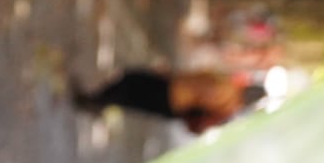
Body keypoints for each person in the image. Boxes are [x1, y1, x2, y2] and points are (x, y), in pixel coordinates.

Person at [74, 68, 261, 133]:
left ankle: (95, 101)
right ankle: (97, 101)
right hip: (175, 109)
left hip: (173, 92)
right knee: (132, 98)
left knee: (130, 82)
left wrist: (171, 75)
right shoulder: (230, 110)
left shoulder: (226, 87)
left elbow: (199, 86)